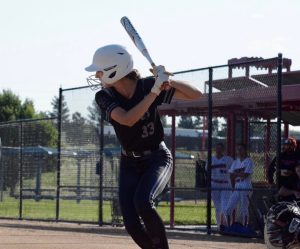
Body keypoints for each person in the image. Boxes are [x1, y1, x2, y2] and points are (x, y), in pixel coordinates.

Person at [85, 44, 202, 249]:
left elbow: (196, 94)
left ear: (115, 70)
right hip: (129, 162)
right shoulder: (105, 96)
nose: (97, 75)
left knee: (144, 202)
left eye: (100, 71)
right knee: (131, 222)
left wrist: (167, 80)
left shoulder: (147, 86)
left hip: (157, 157)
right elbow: (127, 119)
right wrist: (154, 92)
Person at [225, 144, 254, 227]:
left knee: (244, 209)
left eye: (241, 149)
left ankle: (245, 227)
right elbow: (231, 175)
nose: (239, 151)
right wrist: (239, 174)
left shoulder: (249, 161)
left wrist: (236, 174)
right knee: (228, 209)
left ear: (245, 150)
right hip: (237, 186)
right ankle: (228, 227)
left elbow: (245, 175)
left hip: (246, 186)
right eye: (238, 149)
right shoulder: (235, 162)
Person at [209, 143, 233, 228]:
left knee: (225, 205)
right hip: (214, 184)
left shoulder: (228, 159)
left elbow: (233, 172)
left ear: (223, 150)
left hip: (225, 184)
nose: (218, 150)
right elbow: (206, 171)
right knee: (217, 207)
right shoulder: (211, 159)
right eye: (217, 148)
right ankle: (219, 225)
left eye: (220, 149)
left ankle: (227, 225)